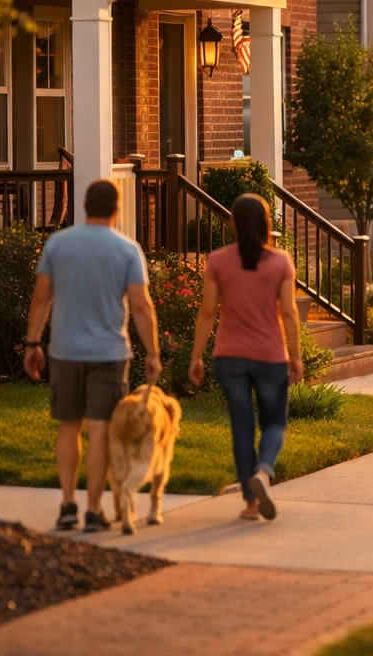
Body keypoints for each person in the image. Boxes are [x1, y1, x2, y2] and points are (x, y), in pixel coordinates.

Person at [24, 179, 161, 532]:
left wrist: (32, 343)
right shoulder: (128, 250)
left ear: (84, 207)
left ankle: (67, 504)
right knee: (100, 430)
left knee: (69, 426)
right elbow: (142, 307)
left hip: (65, 350)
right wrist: (153, 352)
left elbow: (41, 299)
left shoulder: (58, 244)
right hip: (110, 354)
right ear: (117, 209)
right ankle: (93, 510)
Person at [188, 193, 303, 521]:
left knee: (242, 427)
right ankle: (264, 471)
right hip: (270, 356)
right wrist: (295, 355)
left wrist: (195, 357)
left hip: (230, 357)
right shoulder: (280, 261)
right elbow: (289, 312)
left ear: (232, 224)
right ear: (267, 225)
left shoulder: (218, 261)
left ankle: (251, 503)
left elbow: (207, 312)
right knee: (275, 423)